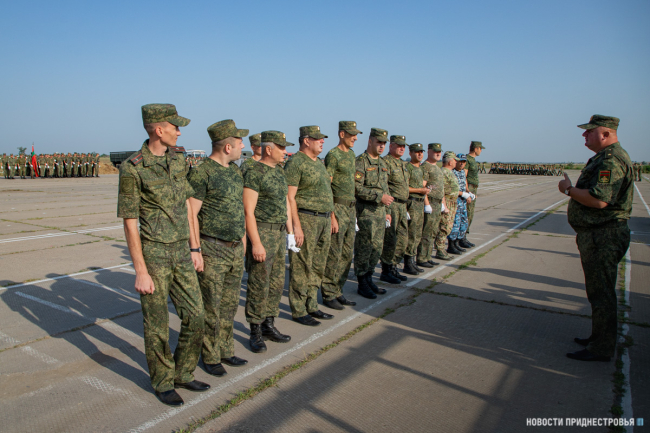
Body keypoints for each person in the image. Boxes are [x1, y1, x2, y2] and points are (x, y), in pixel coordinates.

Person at [118, 103, 208, 407]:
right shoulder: (133, 167)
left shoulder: (178, 159)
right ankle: (163, 381)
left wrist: (195, 248)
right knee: (156, 325)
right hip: (154, 254)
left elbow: (187, 206)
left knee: (196, 315)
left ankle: (183, 372)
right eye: (175, 127)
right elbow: (130, 222)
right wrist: (140, 270)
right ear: (159, 130)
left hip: (182, 250)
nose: (179, 132)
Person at [560, 115, 633, 362]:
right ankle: (598, 337)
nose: (584, 135)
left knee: (602, 294)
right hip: (598, 235)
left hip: (604, 236)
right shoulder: (605, 157)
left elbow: (599, 200)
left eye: (589, 131)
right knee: (598, 292)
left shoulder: (611, 161)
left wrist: (568, 190)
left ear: (605, 134)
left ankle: (601, 347)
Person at [188, 119, 249, 377]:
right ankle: (210, 356)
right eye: (239, 142)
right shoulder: (202, 172)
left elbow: (238, 208)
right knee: (211, 307)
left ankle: (225, 349)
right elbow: (191, 213)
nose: (243, 146)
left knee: (229, 305)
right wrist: (195, 250)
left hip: (235, 248)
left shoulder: (235, 171)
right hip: (212, 248)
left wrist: (243, 240)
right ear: (227, 147)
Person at [243, 130, 295, 353]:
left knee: (276, 283)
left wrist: (290, 232)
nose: (285, 151)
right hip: (263, 232)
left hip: (279, 233)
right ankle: (255, 329)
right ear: (268, 149)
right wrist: (256, 242)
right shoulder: (254, 172)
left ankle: (268, 324)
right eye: (281, 147)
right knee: (259, 283)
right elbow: (248, 211)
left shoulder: (280, 172)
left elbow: (285, 203)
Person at [285, 125, 335, 326]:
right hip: (306, 219)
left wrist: (332, 216)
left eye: (322, 139)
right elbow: (290, 197)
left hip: (324, 219)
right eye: (318, 138)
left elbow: (327, 193)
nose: (322, 141)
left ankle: (312, 304)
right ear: (306, 140)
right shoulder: (296, 163)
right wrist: (296, 227)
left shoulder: (319, 164)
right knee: (301, 266)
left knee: (318, 265)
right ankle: (299, 310)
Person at [321, 121, 361, 310]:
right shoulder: (333, 155)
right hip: (338, 207)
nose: (355, 138)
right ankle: (328, 293)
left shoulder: (351, 155)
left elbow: (354, 179)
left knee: (346, 253)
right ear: (342, 134)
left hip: (351, 209)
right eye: (352, 134)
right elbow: (327, 186)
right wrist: (332, 216)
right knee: (334, 253)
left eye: (356, 134)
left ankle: (338, 290)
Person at [354, 128, 393, 298]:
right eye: (379, 142)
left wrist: (388, 210)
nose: (382, 146)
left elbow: (386, 188)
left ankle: (369, 278)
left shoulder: (383, 163)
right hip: (366, 213)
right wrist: (378, 197)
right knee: (364, 247)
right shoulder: (361, 162)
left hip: (380, 212)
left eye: (384, 143)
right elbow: (356, 188)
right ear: (370, 141)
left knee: (376, 248)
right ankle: (362, 282)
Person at [379, 135, 410, 284]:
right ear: (391, 146)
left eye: (403, 146)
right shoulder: (386, 162)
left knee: (402, 240)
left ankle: (394, 266)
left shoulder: (403, 164)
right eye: (399, 145)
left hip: (403, 206)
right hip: (392, 205)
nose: (402, 148)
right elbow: (384, 186)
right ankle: (386, 270)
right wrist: (387, 211)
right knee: (390, 240)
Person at [403, 143, 431, 274]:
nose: (420, 154)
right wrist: (420, 190)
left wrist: (425, 196)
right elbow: (404, 188)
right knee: (411, 234)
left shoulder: (421, 169)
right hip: (412, 203)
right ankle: (408, 262)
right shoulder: (407, 168)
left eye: (421, 152)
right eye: (416, 152)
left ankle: (413, 260)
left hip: (420, 203)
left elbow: (423, 186)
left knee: (418, 234)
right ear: (410, 153)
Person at [417, 143, 444, 267]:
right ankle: (422, 257)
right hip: (430, 202)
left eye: (439, 152)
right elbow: (423, 186)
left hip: (437, 202)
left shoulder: (437, 167)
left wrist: (442, 202)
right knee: (426, 232)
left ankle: (428, 256)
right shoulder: (425, 167)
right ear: (429, 152)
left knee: (433, 231)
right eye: (435, 151)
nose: (438, 154)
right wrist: (427, 204)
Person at [434, 151, 461, 260]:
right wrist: (444, 205)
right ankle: (440, 250)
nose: (456, 163)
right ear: (450, 162)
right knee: (444, 227)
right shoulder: (444, 172)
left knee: (448, 227)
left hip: (452, 202)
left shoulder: (449, 172)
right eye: (455, 160)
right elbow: (442, 191)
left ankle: (441, 249)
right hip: (447, 202)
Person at [448, 154, 474, 254]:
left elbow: (464, 183)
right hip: (456, 200)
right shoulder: (452, 172)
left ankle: (458, 242)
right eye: (460, 161)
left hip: (462, 201)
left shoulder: (462, 172)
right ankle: (451, 245)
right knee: (455, 223)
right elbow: (451, 189)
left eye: (464, 161)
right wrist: (463, 194)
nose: (462, 163)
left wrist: (468, 192)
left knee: (463, 222)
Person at [465, 141, 484, 234]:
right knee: (468, 212)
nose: (481, 151)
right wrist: (467, 190)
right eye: (480, 149)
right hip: (469, 187)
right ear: (476, 149)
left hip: (473, 188)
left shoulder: (473, 160)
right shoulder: (467, 159)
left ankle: (465, 234)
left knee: (471, 212)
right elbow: (464, 175)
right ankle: (462, 235)